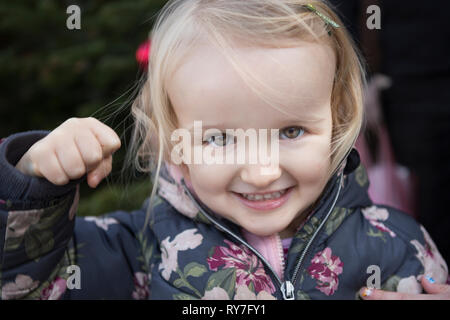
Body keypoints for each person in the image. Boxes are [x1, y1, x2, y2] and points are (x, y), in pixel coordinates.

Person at [0, 0, 448, 300]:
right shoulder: (133, 253)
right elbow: (20, 286)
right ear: (171, 142)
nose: (261, 172)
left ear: (337, 119)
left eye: (291, 131)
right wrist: (33, 186)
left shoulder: (397, 246)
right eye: (219, 138)